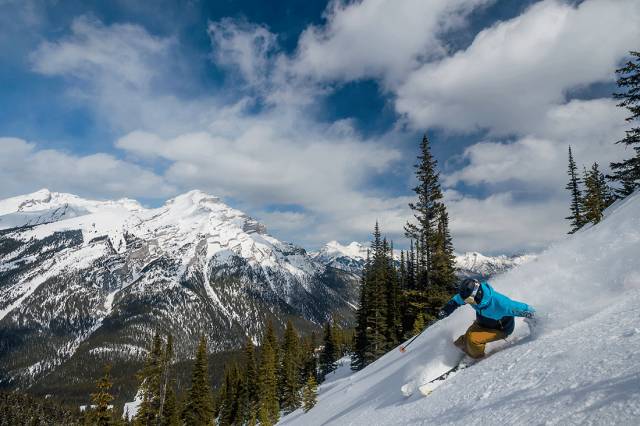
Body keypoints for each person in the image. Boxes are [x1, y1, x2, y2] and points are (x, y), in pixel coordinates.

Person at [438, 278, 535, 359]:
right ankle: (460, 351)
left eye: (469, 300)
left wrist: (537, 317)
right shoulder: (471, 296)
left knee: (473, 339)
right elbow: (456, 301)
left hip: (500, 329)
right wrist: (446, 310)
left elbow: (524, 309)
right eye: (466, 300)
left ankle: (476, 357)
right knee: (463, 340)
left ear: (478, 294)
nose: (468, 302)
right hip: (482, 323)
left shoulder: (501, 304)